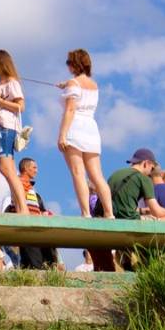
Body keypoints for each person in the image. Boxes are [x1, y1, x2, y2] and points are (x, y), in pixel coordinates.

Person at [57, 49, 114, 218]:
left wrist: (62, 134)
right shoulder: (94, 85)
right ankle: (109, 213)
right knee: (97, 175)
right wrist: (67, 84)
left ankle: (85, 212)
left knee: (78, 172)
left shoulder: (73, 83)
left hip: (75, 127)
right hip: (91, 128)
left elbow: (70, 110)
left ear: (75, 64)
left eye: (69, 62)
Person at [0, 50, 29, 215]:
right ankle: (19, 207)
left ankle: (23, 208)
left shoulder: (12, 83)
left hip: (6, 126)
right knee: (9, 168)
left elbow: (21, 106)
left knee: (6, 168)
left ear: (0, 64)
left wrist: (0, 102)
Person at [7, 158, 60, 270]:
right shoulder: (20, 183)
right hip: (28, 229)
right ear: (26, 168)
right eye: (34, 167)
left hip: (34, 228)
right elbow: (17, 204)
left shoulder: (29, 186)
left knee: (32, 262)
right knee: (35, 262)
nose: (36, 170)